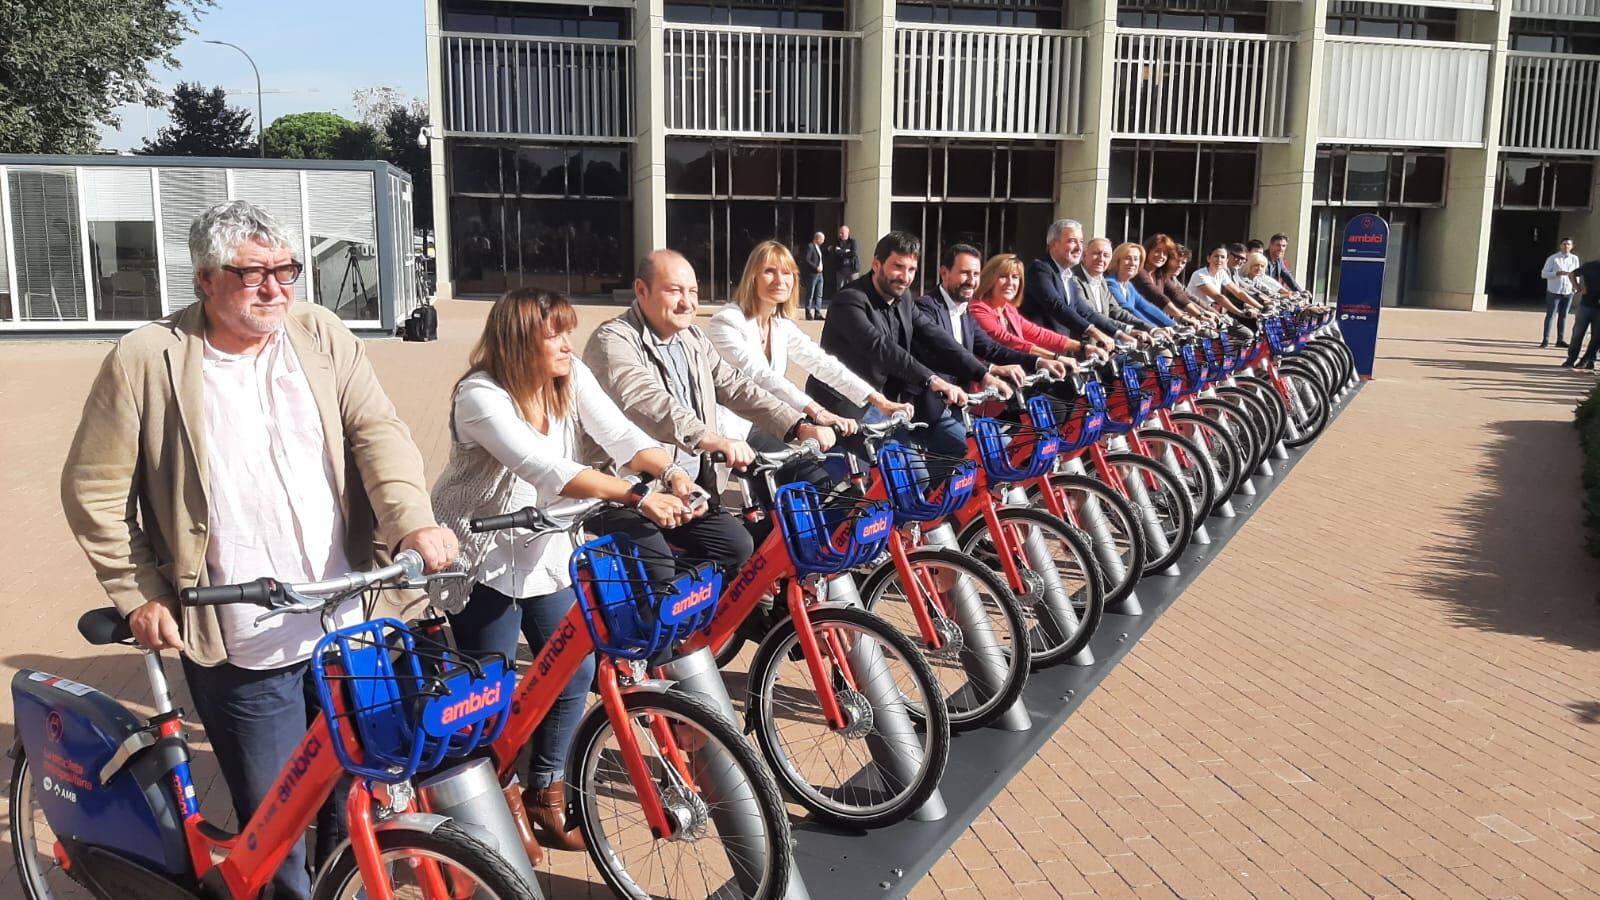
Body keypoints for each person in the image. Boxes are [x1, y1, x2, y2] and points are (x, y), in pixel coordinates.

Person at [60, 201, 456, 900]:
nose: (276, 288)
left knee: (355, 803)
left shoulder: (320, 334)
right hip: (242, 635)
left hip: (347, 617)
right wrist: (140, 590)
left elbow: (378, 431)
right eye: (255, 274)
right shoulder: (147, 359)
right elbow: (93, 490)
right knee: (275, 832)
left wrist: (411, 522)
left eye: (287, 270)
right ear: (207, 279)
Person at [430, 288, 700, 855]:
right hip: (484, 561)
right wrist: (636, 496)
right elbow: (544, 466)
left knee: (573, 673)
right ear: (519, 340)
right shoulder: (479, 395)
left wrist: (671, 471)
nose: (566, 344)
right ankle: (496, 797)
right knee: (490, 690)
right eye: (554, 334)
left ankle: (545, 790)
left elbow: (621, 436)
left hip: (548, 554)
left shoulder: (567, 375)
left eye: (566, 331)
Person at [583, 249, 837, 572]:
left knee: (739, 545)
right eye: (674, 291)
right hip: (628, 492)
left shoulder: (690, 337)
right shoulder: (613, 341)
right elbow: (649, 402)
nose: (687, 302)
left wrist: (799, 425)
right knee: (662, 571)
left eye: (693, 292)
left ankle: (711, 616)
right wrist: (711, 439)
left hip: (687, 490)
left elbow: (736, 386)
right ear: (641, 290)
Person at [809, 231, 1013, 463]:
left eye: (911, 270)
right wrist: (931, 379)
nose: (905, 277)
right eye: (898, 267)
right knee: (909, 476)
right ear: (877, 264)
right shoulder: (851, 300)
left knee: (955, 463)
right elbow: (882, 349)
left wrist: (982, 374)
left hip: (887, 402)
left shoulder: (904, 298)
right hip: (849, 403)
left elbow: (934, 336)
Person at [708, 239, 908, 444]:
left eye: (786, 273)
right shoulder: (727, 321)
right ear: (752, 277)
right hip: (733, 429)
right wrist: (817, 412)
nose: (780, 280)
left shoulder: (779, 324)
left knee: (820, 472)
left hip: (767, 421)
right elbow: (760, 375)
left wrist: (878, 400)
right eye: (769, 271)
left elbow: (822, 362)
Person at [915, 243, 1068, 379]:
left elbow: (992, 348)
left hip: (961, 400)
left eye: (975, 274)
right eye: (964, 273)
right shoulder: (926, 307)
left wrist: (1038, 362)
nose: (971, 281)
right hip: (934, 404)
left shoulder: (965, 309)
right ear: (944, 273)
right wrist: (991, 369)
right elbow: (945, 353)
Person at [1021, 219, 1146, 352]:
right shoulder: (1040, 270)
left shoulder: (1067, 275)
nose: (1079, 247)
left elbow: (1086, 312)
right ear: (1053, 245)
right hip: (1041, 354)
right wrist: (1094, 332)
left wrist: (1120, 333)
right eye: (1072, 241)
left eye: (1080, 241)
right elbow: (1056, 306)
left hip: (1063, 352)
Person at [969, 253, 1091, 365]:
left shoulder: (1008, 310)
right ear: (990, 279)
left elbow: (1038, 333)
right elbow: (1008, 341)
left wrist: (1082, 347)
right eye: (1003, 276)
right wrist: (1055, 357)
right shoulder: (978, 308)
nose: (1010, 282)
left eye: (1015, 277)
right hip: (986, 384)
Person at [1073, 237, 1155, 341]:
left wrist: (1150, 328)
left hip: (1105, 346)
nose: (1101, 259)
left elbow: (1116, 311)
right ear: (1084, 256)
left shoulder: (1101, 280)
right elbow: (1091, 314)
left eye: (1106, 255)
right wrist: (1128, 330)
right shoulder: (1073, 279)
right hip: (1080, 348)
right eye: (1096, 253)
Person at [1132, 234, 1217, 326]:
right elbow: (1157, 296)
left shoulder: (1160, 274)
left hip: (1157, 323)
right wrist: (1181, 316)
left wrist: (1201, 315)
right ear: (1147, 251)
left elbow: (1177, 295)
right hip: (1139, 324)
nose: (1161, 256)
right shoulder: (1139, 271)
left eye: (1165, 253)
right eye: (1157, 251)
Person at [1107, 242, 1178, 328]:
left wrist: (1174, 325)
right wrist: (1153, 328)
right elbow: (1127, 310)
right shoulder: (1111, 283)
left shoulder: (1129, 285)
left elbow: (1146, 307)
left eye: (1136, 259)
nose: (1132, 263)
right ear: (1117, 261)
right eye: (1128, 258)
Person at [1188, 243, 1260, 321]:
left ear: (1226, 260)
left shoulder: (1222, 273)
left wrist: (1260, 307)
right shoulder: (1199, 275)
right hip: (1194, 314)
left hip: (1211, 312)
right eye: (1216, 256)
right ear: (1208, 258)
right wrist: (1240, 313)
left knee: (1246, 332)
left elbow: (1238, 292)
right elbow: (1218, 297)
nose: (1219, 260)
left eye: (1222, 257)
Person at [1563, 256, 1600, 370]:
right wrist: (1578, 287)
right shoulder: (1591, 265)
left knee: (1597, 337)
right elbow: (1572, 274)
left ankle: (1589, 360)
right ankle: (1571, 359)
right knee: (1577, 334)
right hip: (1586, 304)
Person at [1542, 238, 1580, 348]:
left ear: (1572, 246)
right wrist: (1557, 273)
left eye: (1568, 244)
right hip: (1554, 290)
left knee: (1563, 316)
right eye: (1564, 244)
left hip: (1568, 291)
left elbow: (1576, 273)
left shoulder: (1574, 259)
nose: (1566, 246)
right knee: (1551, 315)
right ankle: (1546, 339)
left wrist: (1576, 286)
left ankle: (1560, 340)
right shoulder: (1553, 259)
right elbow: (1544, 274)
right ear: (1560, 245)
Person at [801, 231, 826, 320]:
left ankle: (817, 313)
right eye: (822, 239)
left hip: (820, 275)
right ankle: (808, 313)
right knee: (810, 293)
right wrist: (815, 268)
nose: (823, 241)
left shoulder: (818, 248)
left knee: (819, 294)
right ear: (817, 238)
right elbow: (807, 259)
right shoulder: (810, 246)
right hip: (813, 274)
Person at [830, 225, 860, 296]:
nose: (840, 235)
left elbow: (854, 253)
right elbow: (836, 253)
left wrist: (841, 251)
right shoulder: (837, 243)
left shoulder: (853, 242)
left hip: (852, 269)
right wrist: (846, 251)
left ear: (847, 233)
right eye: (840, 233)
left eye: (842, 233)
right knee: (840, 289)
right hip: (841, 269)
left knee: (854, 288)